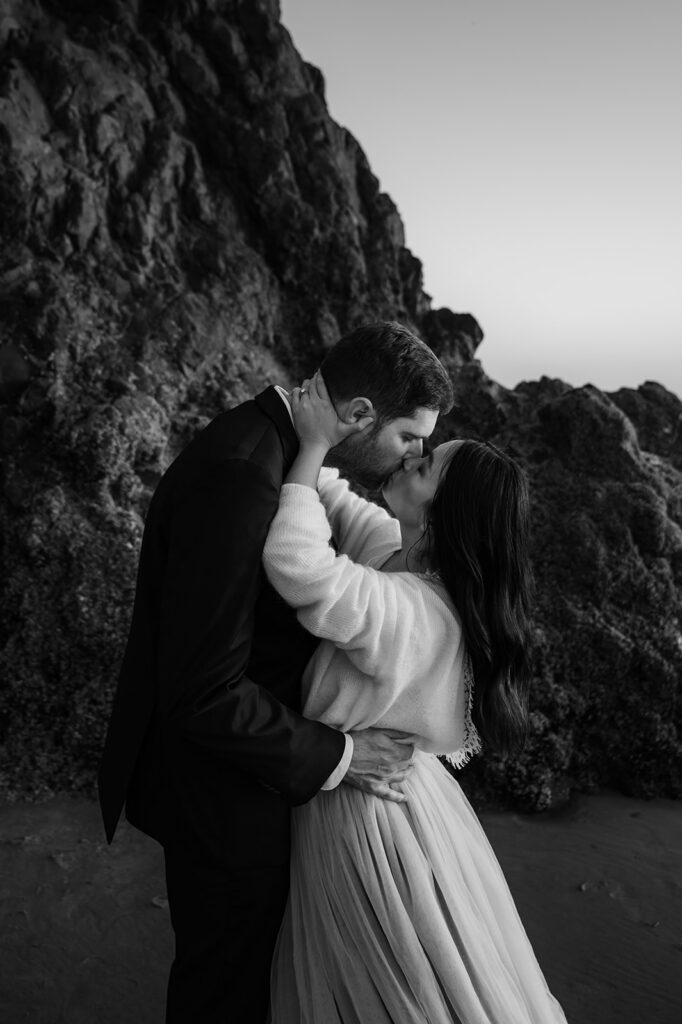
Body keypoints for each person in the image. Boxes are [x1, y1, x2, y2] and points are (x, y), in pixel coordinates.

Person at [97, 321, 454, 1023]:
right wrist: (344, 757)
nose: (415, 453)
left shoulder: (279, 449)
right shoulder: (243, 471)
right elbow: (203, 689)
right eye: (410, 436)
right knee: (223, 990)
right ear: (357, 415)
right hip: (222, 795)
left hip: (249, 780)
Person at [263, 373, 569, 1024]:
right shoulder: (410, 564)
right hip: (389, 794)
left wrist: (314, 446)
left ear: (439, 512)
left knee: (388, 986)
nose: (408, 455)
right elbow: (344, 511)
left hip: (367, 820)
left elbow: (300, 567)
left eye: (424, 463)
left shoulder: (414, 611)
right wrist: (307, 421)